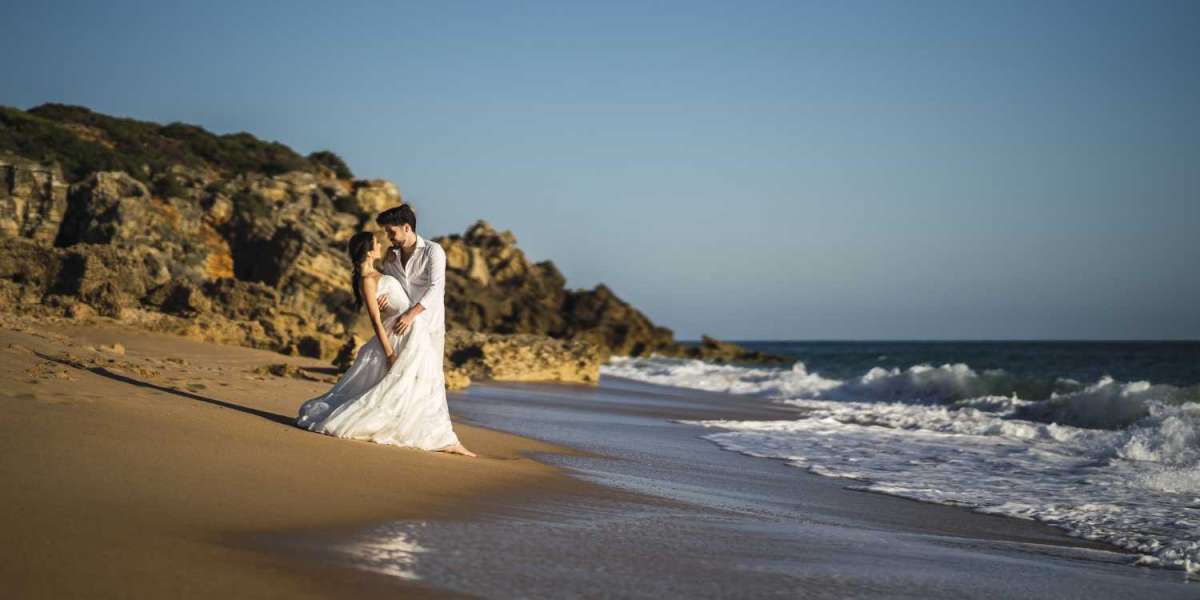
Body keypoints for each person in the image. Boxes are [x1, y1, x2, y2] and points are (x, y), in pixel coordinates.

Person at [295, 218, 475, 457]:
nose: (383, 243)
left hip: (415, 331)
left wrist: (392, 300)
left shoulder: (387, 267)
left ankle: (442, 436)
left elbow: (407, 290)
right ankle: (443, 438)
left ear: (407, 228)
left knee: (423, 386)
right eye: (377, 242)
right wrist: (390, 353)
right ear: (369, 251)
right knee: (411, 387)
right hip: (403, 335)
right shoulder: (368, 280)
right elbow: (375, 321)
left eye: (388, 235)